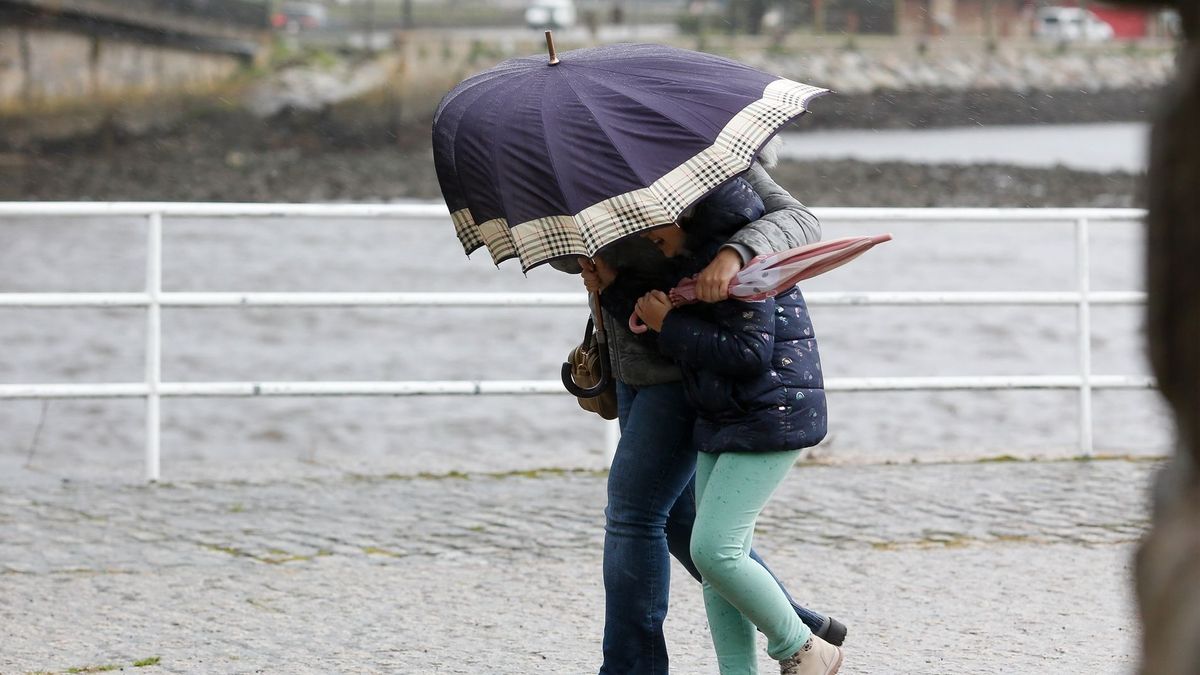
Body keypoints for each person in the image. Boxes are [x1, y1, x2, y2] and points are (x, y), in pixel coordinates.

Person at [572, 154, 846, 674]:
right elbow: (571, 249)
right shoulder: (578, 154)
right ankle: (792, 631)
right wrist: (599, 272)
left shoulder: (707, 159)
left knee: (639, 517)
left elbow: (796, 222)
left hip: (695, 369)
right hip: (640, 361)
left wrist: (734, 252)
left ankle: (641, 668)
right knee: (688, 529)